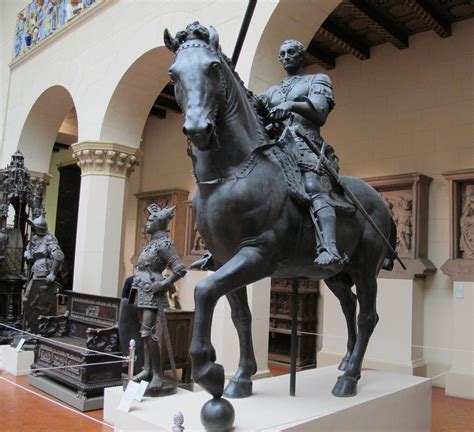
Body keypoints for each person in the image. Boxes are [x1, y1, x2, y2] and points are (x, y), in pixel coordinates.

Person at [258, 39, 353, 267]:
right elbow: (253, 109)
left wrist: (290, 106)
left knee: (312, 186)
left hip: (304, 142)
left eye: (291, 52)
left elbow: (320, 112)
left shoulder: (317, 80)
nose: (286, 57)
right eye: (282, 53)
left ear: (302, 56)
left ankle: (329, 247)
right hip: (275, 146)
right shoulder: (271, 91)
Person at [130, 204, 187, 393]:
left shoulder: (164, 244)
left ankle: (157, 374)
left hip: (153, 291)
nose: (147, 222)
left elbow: (179, 269)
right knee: (144, 333)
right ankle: (147, 370)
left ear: (159, 224)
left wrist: (163, 285)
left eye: (151, 220)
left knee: (147, 333)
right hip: (141, 289)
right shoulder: (151, 243)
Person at [23, 212, 65, 332]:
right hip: (34, 273)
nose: (33, 229)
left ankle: (39, 327)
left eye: (35, 227)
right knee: (27, 300)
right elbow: (31, 252)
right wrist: (28, 254)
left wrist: (52, 273)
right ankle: (31, 326)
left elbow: (58, 255)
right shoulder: (35, 239)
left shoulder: (49, 238)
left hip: (44, 275)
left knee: (41, 303)